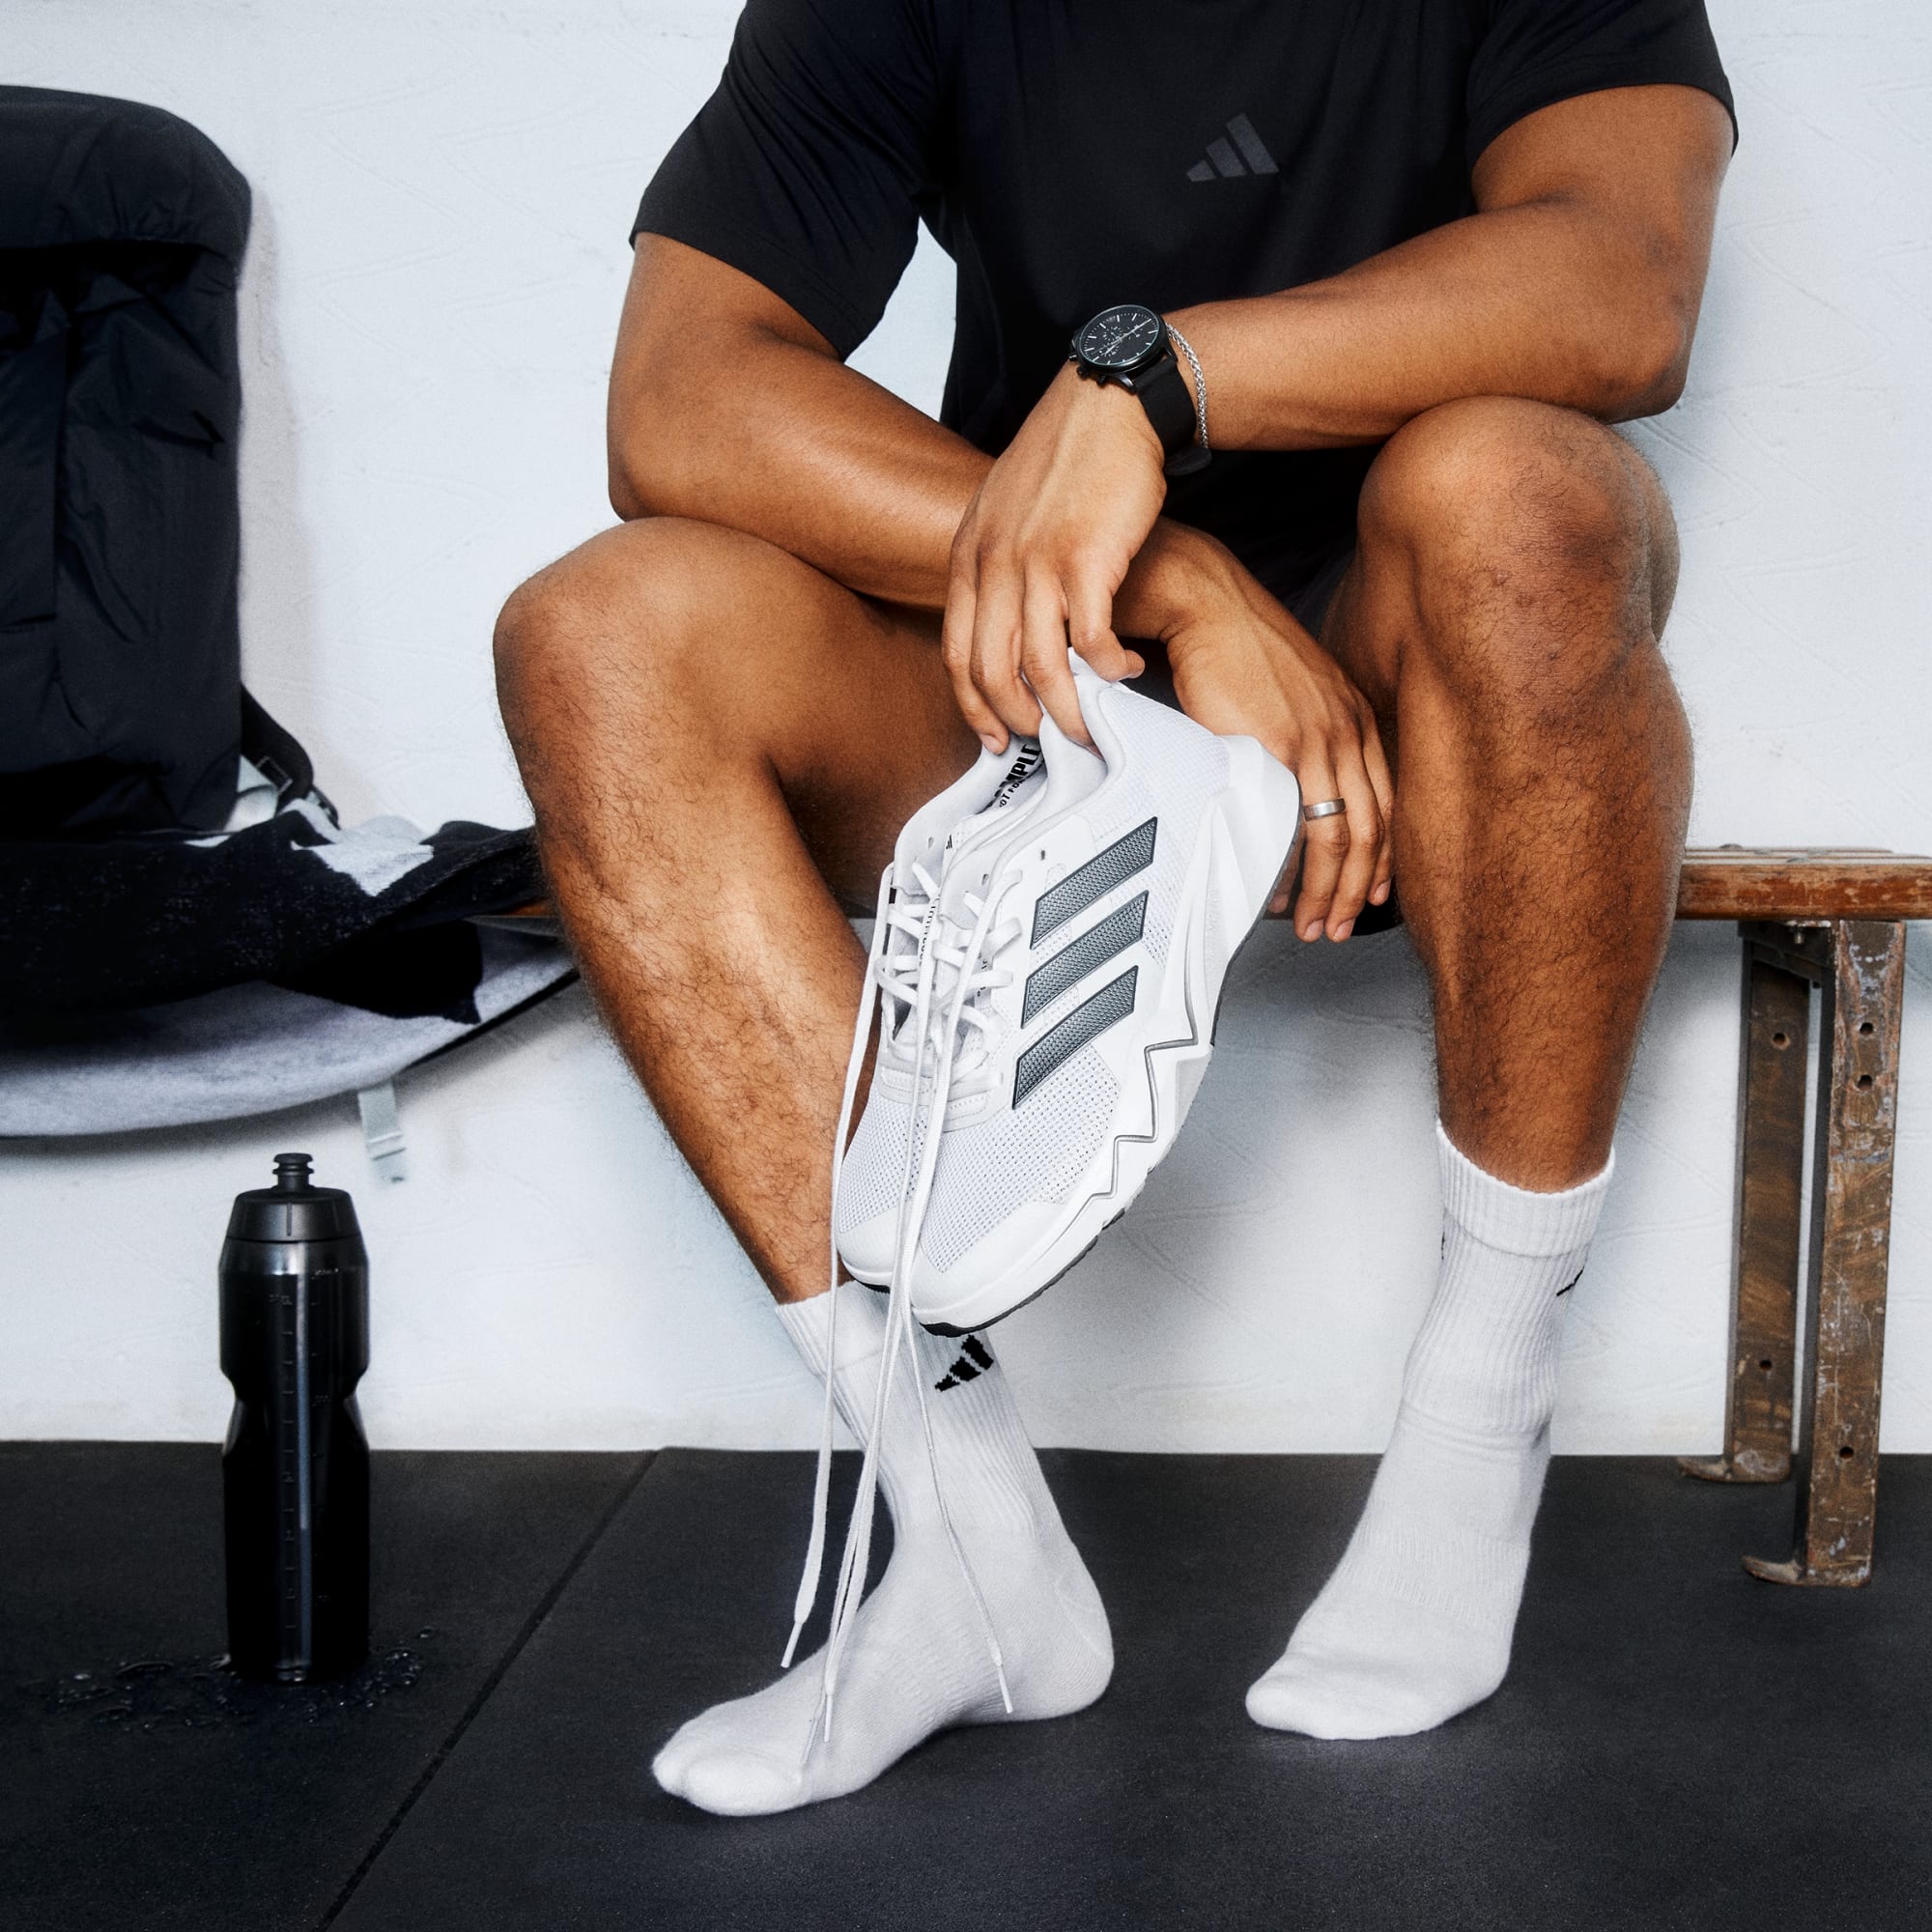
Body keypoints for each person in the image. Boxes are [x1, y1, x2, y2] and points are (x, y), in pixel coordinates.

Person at [493, 0, 1735, 1816]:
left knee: (1518, 494)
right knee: (595, 636)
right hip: (1049, 645)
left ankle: (1483, 1413)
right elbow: (681, 392)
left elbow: (1623, 285)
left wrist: (1152, 383)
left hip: (1416, 649)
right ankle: (969, 1548)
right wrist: (1170, 578)